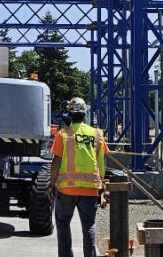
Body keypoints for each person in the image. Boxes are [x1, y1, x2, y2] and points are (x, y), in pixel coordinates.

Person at [49, 96, 107, 257]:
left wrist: (51, 183)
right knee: (89, 226)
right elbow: (101, 162)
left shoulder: (63, 134)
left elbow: (56, 160)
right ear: (84, 114)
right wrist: (101, 187)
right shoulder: (97, 134)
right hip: (90, 190)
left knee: (62, 223)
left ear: (69, 114)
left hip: (67, 190)